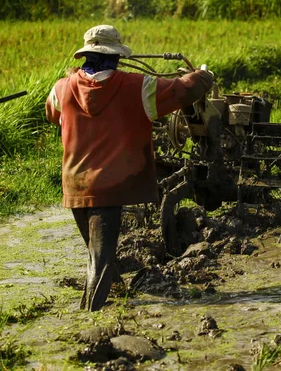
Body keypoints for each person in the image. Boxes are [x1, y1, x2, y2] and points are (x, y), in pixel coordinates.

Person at [45, 25, 213, 311]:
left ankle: (118, 300)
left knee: (98, 252)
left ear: (86, 55)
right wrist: (203, 76)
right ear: (116, 57)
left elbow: (51, 113)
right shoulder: (139, 87)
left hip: (75, 186)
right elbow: (181, 91)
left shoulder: (62, 87)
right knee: (99, 260)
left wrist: (72, 79)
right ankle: (88, 314)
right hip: (109, 188)